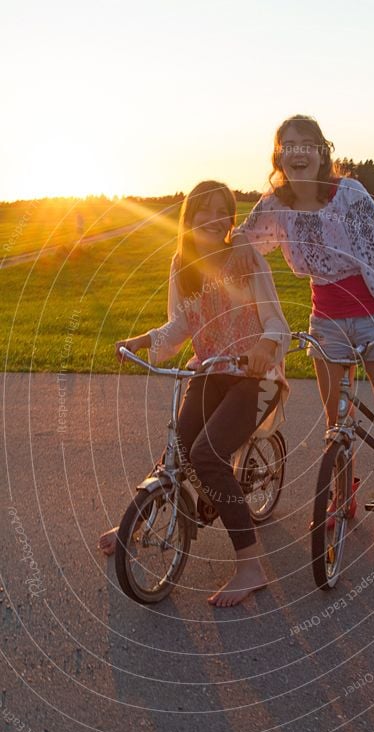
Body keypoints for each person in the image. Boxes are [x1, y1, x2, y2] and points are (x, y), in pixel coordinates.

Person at [229, 115, 374, 572]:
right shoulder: (275, 205)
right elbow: (245, 238)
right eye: (288, 145)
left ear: (323, 152)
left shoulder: (351, 196)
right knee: (334, 422)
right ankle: (344, 495)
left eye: (307, 143)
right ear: (279, 156)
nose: (298, 151)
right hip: (325, 320)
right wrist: (224, 241)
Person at [99, 181, 291, 605]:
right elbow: (180, 326)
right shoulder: (181, 264)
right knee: (179, 447)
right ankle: (139, 518)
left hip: (255, 377)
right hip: (210, 370)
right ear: (189, 218)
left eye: (222, 211)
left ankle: (250, 566)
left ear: (231, 219)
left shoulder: (246, 259)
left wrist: (264, 347)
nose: (212, 220)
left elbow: (278, 323)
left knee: (206, 456)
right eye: (203, 212)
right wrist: (143, 340)